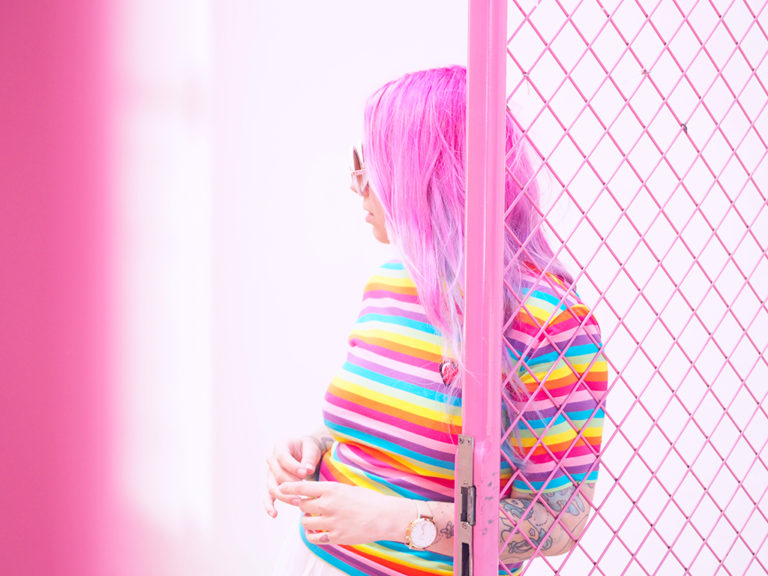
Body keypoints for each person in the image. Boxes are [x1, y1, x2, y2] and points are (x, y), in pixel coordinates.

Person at [265, 65, 607, 576]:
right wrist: (315, 446)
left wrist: (397, 521)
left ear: (423, 176)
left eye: (372, 167)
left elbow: (560, 523)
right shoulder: (391, 281)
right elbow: (387, 428)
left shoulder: (551, 323)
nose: (357, 186)